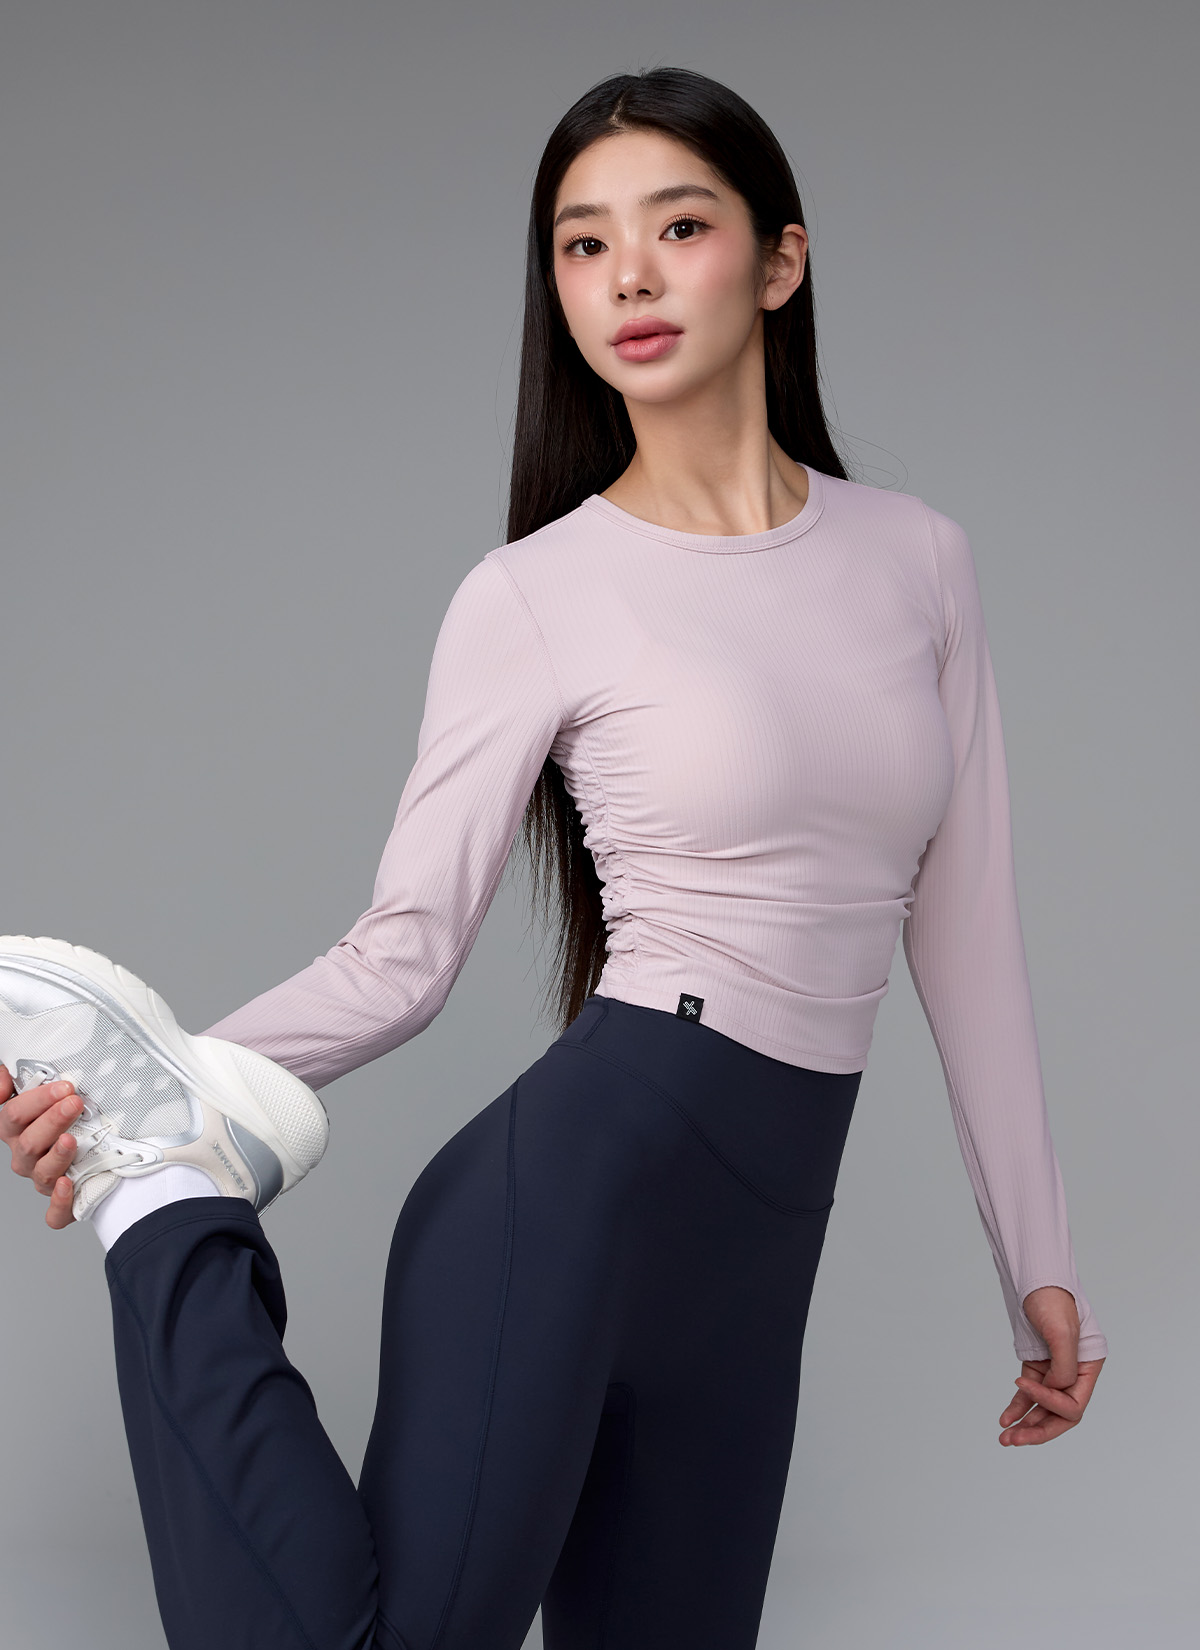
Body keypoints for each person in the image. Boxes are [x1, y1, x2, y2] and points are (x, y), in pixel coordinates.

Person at [0, 64, 1106, 1650]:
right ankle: (158, 1199)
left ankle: (156, 1140)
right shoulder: (536, 592)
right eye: (585, 245)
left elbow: (968, 928)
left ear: (780, 262)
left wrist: (1037, 1256)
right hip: (570, 1192)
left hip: (761, 1249)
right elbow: (403, 951)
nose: (630, 276)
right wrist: (170, 1080)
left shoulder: (920, 560)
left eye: (679, 227)